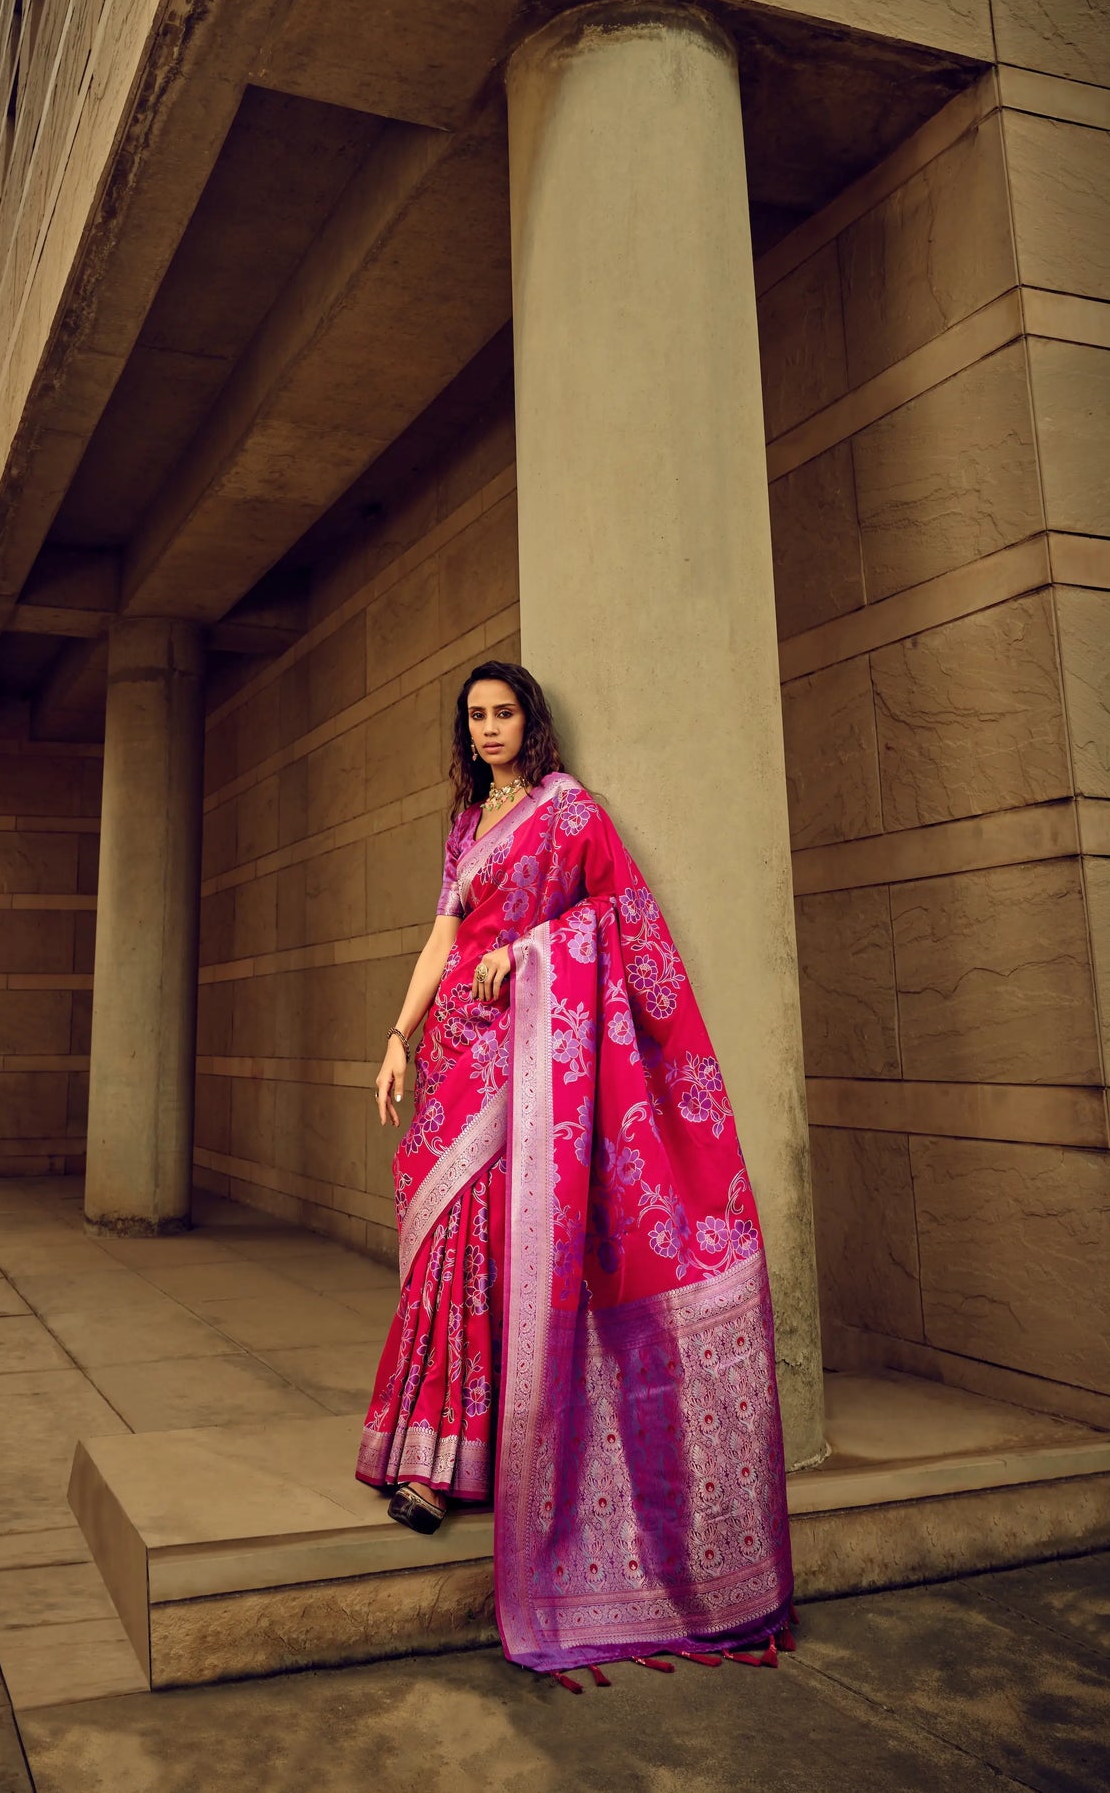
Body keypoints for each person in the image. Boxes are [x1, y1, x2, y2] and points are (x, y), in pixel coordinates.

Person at [357, 660, 794, 1679]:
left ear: (531, 721)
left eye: (504, 712)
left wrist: (543, 942)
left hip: (531, 1051)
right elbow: (442, 936)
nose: (490, 727)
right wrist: (395, 1033)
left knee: (491, 1240)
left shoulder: (569, 814)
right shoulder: (467, 827)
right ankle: (434, 1452)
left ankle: (470, 1462)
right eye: (475, 716)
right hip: (456, 1049)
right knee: (443, 1241)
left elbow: (626, 920)